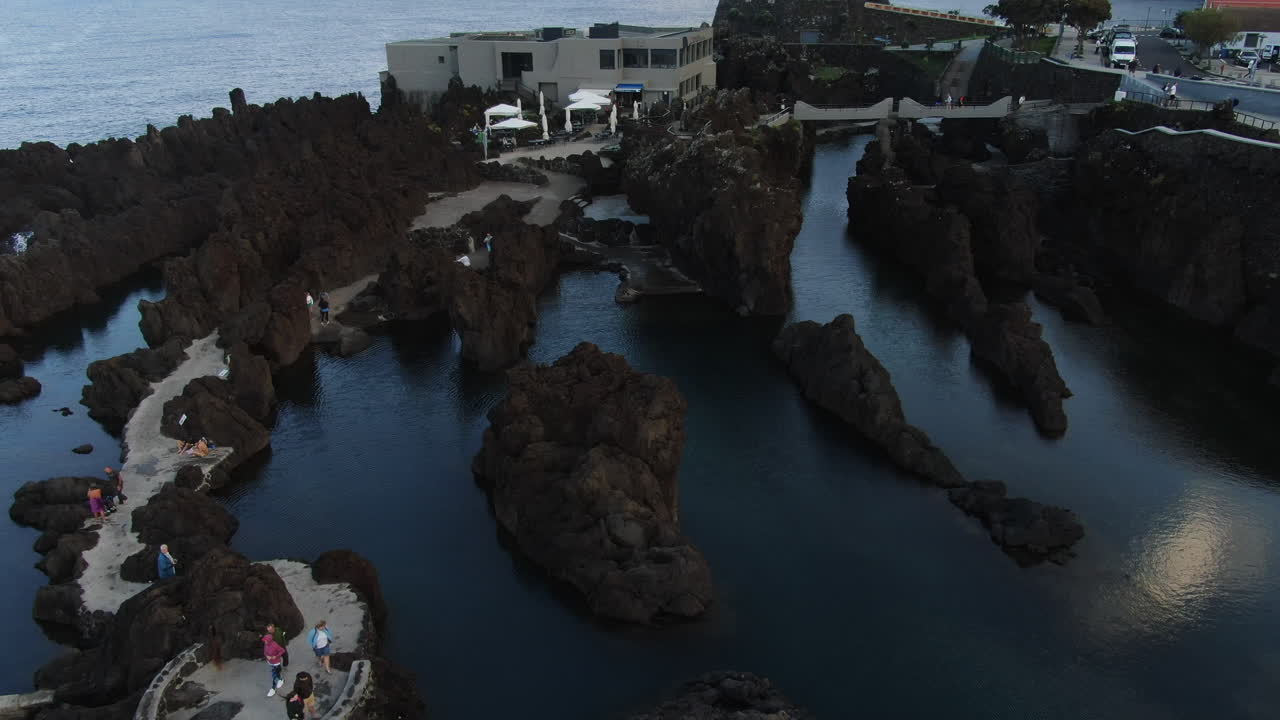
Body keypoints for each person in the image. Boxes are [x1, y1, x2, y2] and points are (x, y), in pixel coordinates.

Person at [262, 632, 287, 696]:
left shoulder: (275, 645)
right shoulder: (266, 644)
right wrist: (267, 656)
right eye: (264, 640)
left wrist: (275, 656)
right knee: (277, 673)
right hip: (270, 662)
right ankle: (281, 680)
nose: (265, 641)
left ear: (269, 640)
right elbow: (265, 652)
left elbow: (282, 650)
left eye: (266, 640)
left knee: (274, 675)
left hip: (276, 663)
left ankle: (273, 688)